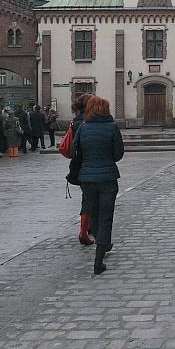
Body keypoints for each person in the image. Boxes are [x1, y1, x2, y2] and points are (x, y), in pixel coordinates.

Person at [71, 96, 125, 275]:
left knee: (93, 213)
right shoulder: (112, 127)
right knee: (106, 217)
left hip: (87, 179)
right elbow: (118, 154)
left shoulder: (83, 127)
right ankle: (98, 261)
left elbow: (74, 151)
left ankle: (98, 237)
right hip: (108, 178)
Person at [69, 94, 94, 243]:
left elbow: (73, 148)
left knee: (87, 197)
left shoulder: (75, 121)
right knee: (94, 199)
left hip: (80, 165)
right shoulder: (91, 120)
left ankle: (86, 228)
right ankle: (86, 230)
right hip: (93, 163)